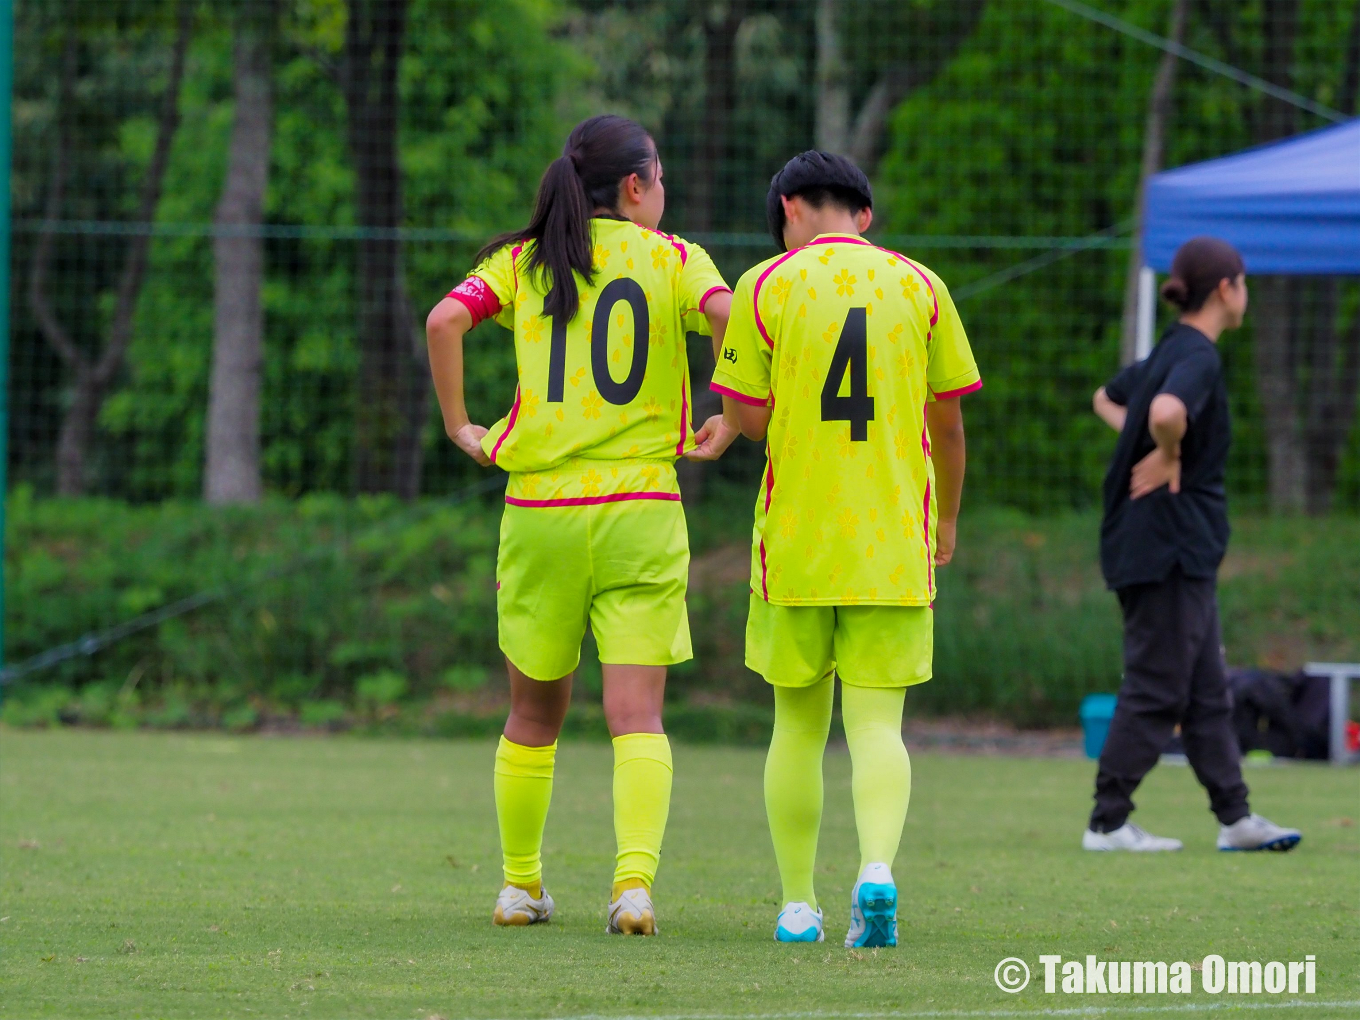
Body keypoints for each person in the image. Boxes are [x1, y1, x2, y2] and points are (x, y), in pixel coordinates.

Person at [425, 115, 735, 934]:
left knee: (531, 716)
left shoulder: (524, 260)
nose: (663, 193)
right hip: (640, 509)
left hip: (541, 510)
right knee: (637, 715)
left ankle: (520, 887)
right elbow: (728, 316)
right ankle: (632, 888)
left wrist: (463, 426)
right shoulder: (674, 259)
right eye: (660, 178)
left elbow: (443, 321)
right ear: (636, 188)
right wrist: (732, 418)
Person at [697, 151, 980, 945]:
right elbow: (950, 424)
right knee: (879, 727)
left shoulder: (765, 285)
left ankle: (796, 906)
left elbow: (748, 419)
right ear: (864, 214)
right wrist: (946, 521)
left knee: (796, 726)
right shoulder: (921, 286)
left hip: (796, 541)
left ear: (790, 208)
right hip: (892, 540)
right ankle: (878, 872)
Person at [1085, 235, 1301, 853]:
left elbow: (1106, 396)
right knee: (1158, 685)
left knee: (1208, 691)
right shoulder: (1197, 358)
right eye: (1245, 283)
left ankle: (1235, 819)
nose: (1247, 294)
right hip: (1166, 547)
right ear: (1226, 289)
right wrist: (1167, 452)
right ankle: (1107, 822)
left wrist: (1148, 447)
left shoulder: (1169, 350)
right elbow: (1168, 411)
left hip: (1170, 547)